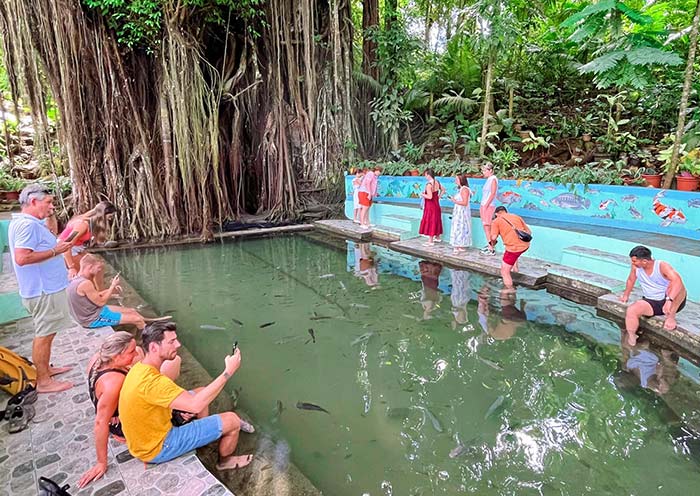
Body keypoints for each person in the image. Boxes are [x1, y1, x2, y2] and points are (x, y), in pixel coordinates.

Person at [118, 321, 254, 469]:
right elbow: (195, 405)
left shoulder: (140, 368)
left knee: (202, 391)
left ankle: (207, 432)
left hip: (146, 437)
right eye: (171, 341)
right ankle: (224, 461)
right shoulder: (154, 383)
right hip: (158, 446)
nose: (178, 344)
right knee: (233, 420)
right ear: (154, 347)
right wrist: (228, 371)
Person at [78, 331, 184, 488]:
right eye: (130, 352)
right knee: (174, 363)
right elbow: (100, 422)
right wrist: (101, 462)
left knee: (145, 355)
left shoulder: (99, 358)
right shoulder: (113, 383)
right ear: (116, 356)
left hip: (119, 410)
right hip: (123, 425)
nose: (135, 354)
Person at [8, 184, 74, 393]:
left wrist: (50, 215)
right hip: (44, 291)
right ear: (33, 201)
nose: (51, 206)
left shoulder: (30, 222)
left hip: (46, 290)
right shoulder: (27, 226)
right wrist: (56, 251)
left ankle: (45, 369)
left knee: (49, 331)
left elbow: (50, 234)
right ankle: (43, 381)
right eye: (48, 202)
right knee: (44, 334)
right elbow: (22, 258)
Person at [619, 245, 687, 346]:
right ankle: (632, 336)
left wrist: (669, 300)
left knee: (680, 287)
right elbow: (631, 279)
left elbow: (677, 281)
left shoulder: (662, 266)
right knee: (631, 310)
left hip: (671, 302)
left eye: (634, 261)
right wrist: (625, 295)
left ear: (645, 261)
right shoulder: (636, 267)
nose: (632, 263)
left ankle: (671, 317)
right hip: (651, 302)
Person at [66, 254, 148, 330]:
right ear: (90, 267)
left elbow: (96, 295)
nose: (100, 270)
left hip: (93, 311)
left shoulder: (76, 279)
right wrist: (112, 286)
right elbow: (101, 302)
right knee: (137, 319)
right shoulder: (85, 283)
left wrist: (111, 290)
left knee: (132, 311)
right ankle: (145, 339)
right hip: (92, 319)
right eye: (98, 268)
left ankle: (145, 327)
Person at [59, 201, 117, 280]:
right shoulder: (82, 225)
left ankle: (98, 290)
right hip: (66, 249)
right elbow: (66, 244)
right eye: (111, 216)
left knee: (97, 266)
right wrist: (71, 267)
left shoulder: (92, 223)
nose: (111, 218)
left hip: (77, 247)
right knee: (88, 271)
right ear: (102, 214)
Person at [488, 206, 531, 291]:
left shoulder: (496, 221)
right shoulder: (516, 216)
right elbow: (529, 232)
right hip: (525, 245)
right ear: (505, 211)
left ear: (496, 214)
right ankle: (515, 269)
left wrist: (492, 244)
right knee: (513, 253)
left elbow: (493, 237)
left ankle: (509, 291)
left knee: (504, 271)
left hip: (514, 248)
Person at [419, 168, 444, 245]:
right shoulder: (437, 182)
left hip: (430, 206)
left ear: (428, 175)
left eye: (426, 175)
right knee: (436, 219)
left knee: (431, 221)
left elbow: (429, 197)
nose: (425, 176)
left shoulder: (429, 185)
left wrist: (422, 194)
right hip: (436, 204)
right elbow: (443, 190)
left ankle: (430, 241)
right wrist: (439, 196)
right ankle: (437, 237)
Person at [449, 174, 472, 254]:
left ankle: (458, 244)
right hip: (459, 211)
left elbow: (465, 202)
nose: (455, 181)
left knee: (459, 227)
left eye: (457, 179)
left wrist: (454, 201)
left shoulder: (464, 189)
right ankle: (460, 245)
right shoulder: (462, 189)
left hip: (461, 212)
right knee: (461, 227)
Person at [479, 162, 499, 255]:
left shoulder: (493, 179)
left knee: (488, 226)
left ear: (490, 170)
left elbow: (493, 193)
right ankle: (489, 245)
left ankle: (491, 247)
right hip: (484, 204)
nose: (483, 172)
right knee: (485, 226)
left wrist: (486, 204)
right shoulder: (489, 179)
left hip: (489, 205)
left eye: (484, 170)